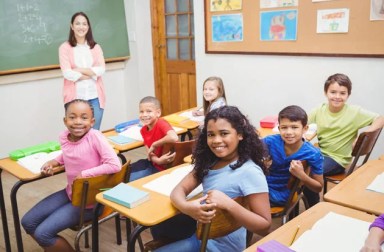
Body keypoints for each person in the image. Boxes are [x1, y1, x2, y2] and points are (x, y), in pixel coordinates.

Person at [154, 106, 271, 251]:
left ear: (240, 135)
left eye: (224, 133)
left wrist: (229, 204)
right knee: (159, 226)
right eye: (211, 134)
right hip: (200, 236)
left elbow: (265, 226)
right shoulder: (209, 162)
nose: (216, 140)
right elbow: (178, 190)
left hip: (219, 248)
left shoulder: (250, 172)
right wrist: (187, 208)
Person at [21, 99, 121, 252]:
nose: (78, 122)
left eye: (84, 117)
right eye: (72, 117)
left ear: (92, 121)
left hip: (90, 201)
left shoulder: (95, 137)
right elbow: (71, 152)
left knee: (43, 234)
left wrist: (84, 174)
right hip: (71, 193)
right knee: (28, 222)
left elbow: (115, 164)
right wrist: (54, 161)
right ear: (65, 120)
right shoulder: (64, 137)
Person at [309, 73, 384, 176]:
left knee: (312, 171)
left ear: (348, 95)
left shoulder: (354, 112)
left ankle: (310, 191)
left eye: (342, 93)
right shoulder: (319, 110)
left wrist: (365, 134)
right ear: (326, 93)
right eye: (333, 92)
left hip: (338, 159)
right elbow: (303, 123)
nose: (337, 97)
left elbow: (381, 119)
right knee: (294, 163)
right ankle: (301, 189)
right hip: (320, 153)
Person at [263, 105, 324, 207]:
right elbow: (250, 150)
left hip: (282, 194)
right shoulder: (270, 141)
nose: (289, 132)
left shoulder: (313, 154)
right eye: (284, 127)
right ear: (279, 128)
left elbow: (318, 187)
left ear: (305, 129)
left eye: (294, 127)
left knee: (241, 200)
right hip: (263, 185)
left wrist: (302, 175)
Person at [59, 12, 106, 130]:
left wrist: (79, 70)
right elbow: (67, 73)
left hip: (95, 96)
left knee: (94, 133)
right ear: (72, 26)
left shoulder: (96, 47)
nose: (81, 27)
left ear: (88, 27)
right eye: (78, 23)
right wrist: (91, 73)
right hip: (75, 98)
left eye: (84, 24)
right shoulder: (64, 48)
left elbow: (101, 69)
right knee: (78, 133)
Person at [129, 96, 179, 182]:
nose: (144, 115)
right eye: (141, 112)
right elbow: (149, 152)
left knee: (130, 180)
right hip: (155, 163)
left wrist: (155, 144)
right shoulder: (143, 130)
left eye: (149, 111)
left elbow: (174, 137)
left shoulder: (161, 123)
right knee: (126, 171)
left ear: (158, 113)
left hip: (165, 169)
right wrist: (158, 160)